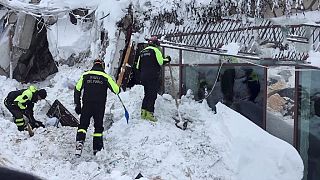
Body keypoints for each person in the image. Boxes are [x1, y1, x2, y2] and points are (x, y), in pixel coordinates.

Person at [74, 59, 120, 156]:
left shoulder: (85, 75)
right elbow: (116, 90)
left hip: (87, 104)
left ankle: (79, 143)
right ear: (102, 66)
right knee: (98, 127)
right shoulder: (105, 76)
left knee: (83, 125)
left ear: (93, 65)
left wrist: (77, 104)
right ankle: (97, 149)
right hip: (99, 106)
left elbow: (77, 89)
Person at [135, 36, 171, 122]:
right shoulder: (155, 50)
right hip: (153, 76)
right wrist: (168, 59)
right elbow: (161, 62)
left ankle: (143, 113)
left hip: (143, 77)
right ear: (156, 44)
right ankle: (150, 113)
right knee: (152, 95)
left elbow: (137, 66)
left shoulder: (142, 52)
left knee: (147, 94)